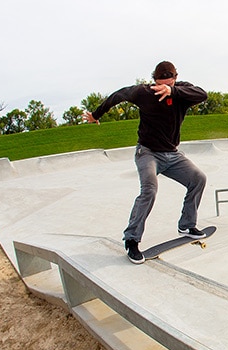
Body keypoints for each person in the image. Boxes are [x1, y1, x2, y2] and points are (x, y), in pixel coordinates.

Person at [84, 61, 208, 264]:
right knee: (149, 189)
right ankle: (131, 239)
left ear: (175, 80)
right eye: (159, 85)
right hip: (148, 153)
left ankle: (186, 224)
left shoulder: (182, 91)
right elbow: (118, 95)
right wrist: (96, 115)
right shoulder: (143, 92)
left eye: (166, 85)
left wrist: (172, 92)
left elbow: (202, 94)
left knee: (199, 178)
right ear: (154, 81)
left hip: (173, 155)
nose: (161, 89)